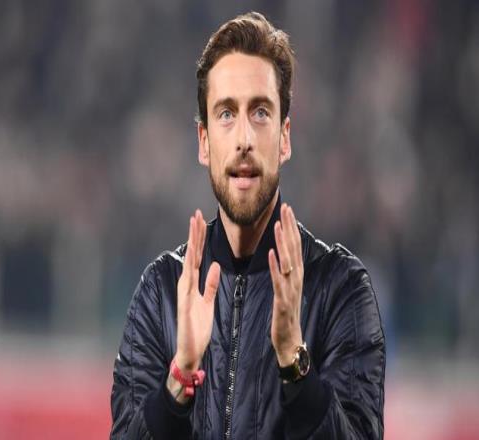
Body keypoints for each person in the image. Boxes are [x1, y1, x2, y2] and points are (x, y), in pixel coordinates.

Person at [110, 12, 385, 440]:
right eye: (226, 114)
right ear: (204, 143)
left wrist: (294, 361)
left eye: (260, 112)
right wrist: (180, 378)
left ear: (285, 138)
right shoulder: (161, 292)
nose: (243, 139)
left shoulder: (341, 290)